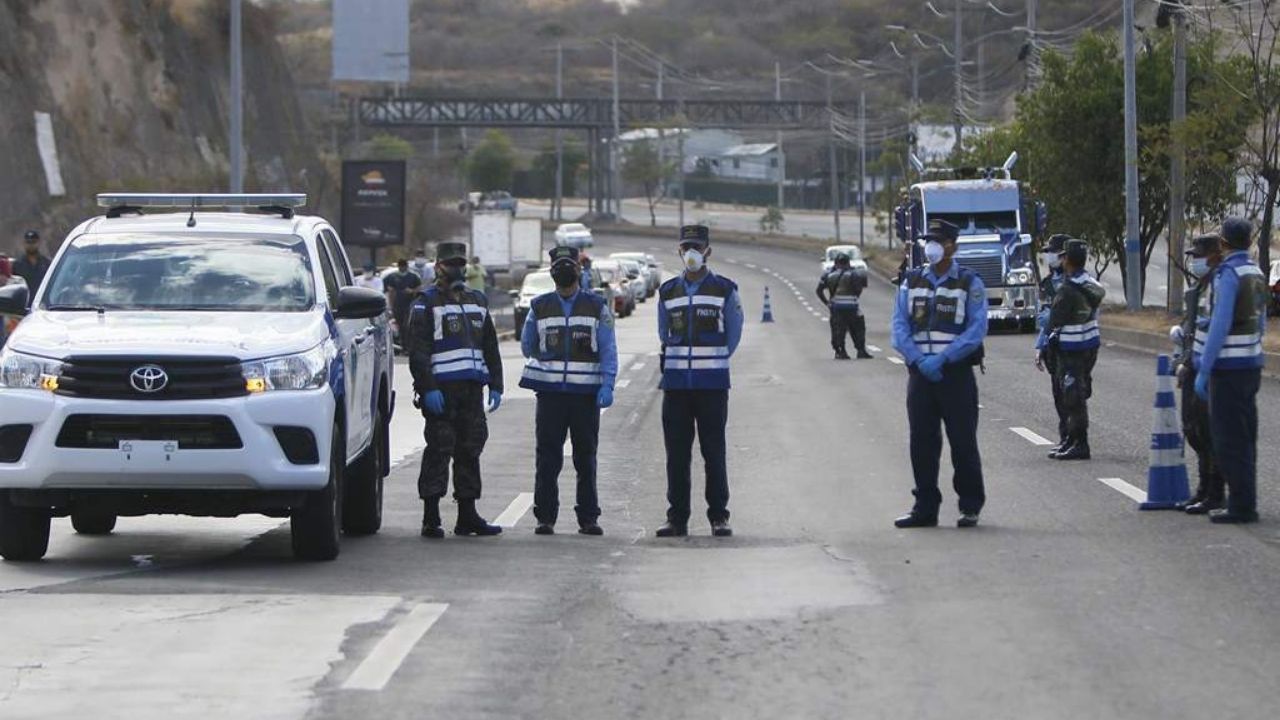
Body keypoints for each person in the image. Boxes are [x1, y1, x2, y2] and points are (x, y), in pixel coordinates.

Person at [891, 218, 988, 528]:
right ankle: (925, 507)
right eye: (928, 240)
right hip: (921, 375)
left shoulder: (969, 282)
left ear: (952, 246)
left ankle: (970, 505)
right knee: (921, 442)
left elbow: (976, 329)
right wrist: (918, 359)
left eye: (938, 241)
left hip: (955, 374)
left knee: (963, 442)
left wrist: (944, 358)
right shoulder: (911, 280)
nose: (931, 246)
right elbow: (899, 327)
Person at [406, 241, 505, 538]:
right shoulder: (426, 302)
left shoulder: (477, 300)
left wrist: (496, 384)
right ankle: (431, 517)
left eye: (460, 264)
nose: (456, 269)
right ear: (438, 267)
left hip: (471, 390)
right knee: (439, 449)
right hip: (442, 392)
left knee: (470, 449)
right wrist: (427, 388)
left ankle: (467, 515)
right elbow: (418, 352)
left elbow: (490, 344)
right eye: (451, 264)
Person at [520, 246, 618, 536]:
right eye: (559, 266)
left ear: (579, 270)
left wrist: (608, 384)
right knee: (547, 458)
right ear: (552, 273)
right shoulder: (539, 306)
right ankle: (545, 518)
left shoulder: (596, 306)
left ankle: (588, 518)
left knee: (585, 459)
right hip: (550, 396)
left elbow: (608, 349)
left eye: (569, 265)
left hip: (585, 396)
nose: (565, 271)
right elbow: (528, 345)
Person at [655, 225, 744, 538]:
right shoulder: (667, 292)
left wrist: (713, 360)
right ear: (679, 251)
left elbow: (733, 335)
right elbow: (663, 333)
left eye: (696, 247)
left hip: (712, 386)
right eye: (686, 247)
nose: (691, 252)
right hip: (676, 385)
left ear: (708, 251)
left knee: (713, 453)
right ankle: (676, 518)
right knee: (676, 456)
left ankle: (719, 516)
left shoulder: (725, 289)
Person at [1194, 218, 1268, 524]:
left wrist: (1203, 369)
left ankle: (1241, 505)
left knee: (1228, 439)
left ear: (1223, 244)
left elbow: (1219, 325)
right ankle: (1245, 498)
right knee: (1246, 434)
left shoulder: (1228, 274)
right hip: (1252, 363)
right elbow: (1262, 321)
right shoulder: (1256, 272)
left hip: (1228, 368)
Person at [1174, 234, 1226, 514]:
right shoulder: (1200, 287)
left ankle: (1215, 492)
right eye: (1194, 256)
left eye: (1199, 256)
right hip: (1193, 362)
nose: (1195, 261)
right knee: (1193, 430)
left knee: (1208, 432)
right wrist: (1182, 356)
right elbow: (1191, 327)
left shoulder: (1219, 284)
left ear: (1214, 256)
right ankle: (1204, 488)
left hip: (1209, 365)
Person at [1044, 239, 1105, 461]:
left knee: (1072, 397)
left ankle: (1080, 443)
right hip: (1089, 346)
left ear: (1067, 260)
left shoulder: (1068, 289)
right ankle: (1071, 439)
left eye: (1062, 256)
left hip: (1071, 349)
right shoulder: (1090, 283)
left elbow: (1054, 320)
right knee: (1074, 393)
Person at [1034, 234, 1070, 452]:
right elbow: (1042, 318)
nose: (1049, 256)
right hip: (1052, 346)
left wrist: (1053, 317)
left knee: (1072, 394)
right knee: (1058, 394)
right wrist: (1039, 346)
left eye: (1053, 252)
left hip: (1072, 345)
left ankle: (1075, 438)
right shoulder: (1047, 283)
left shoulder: (1073, 282)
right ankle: (1065, 438)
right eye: (1048, 252)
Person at [816, 253, 872, 360]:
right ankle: (861, 350)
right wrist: (853, 298)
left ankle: (840, 351)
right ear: (848, 263)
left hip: (836, 307)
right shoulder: (854, 274)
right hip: (852, 307)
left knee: (838, 329)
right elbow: (858, 289)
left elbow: (819, 290)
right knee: (858, 328)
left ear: (836, 263)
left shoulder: (828, 275)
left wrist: (827, 302)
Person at [383, 258, 422, 334]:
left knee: (409, 324)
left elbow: (419, 288)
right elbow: (391, 292)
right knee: (399, 325)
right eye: (401, 266)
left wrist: (412, 291)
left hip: (410, 304)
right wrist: (391, 306)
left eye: (404, 266)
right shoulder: (392, 277)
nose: (402, 268)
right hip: (398, 305)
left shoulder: (413, 276)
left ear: (407, 266)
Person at [13, 230, 51, 295]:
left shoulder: (47, 263)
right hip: (24, 302)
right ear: (24, 244)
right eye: (28, 242)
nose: (31, 245)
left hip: (41, 302)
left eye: (33, 242)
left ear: (39, 243)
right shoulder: (17, 264)